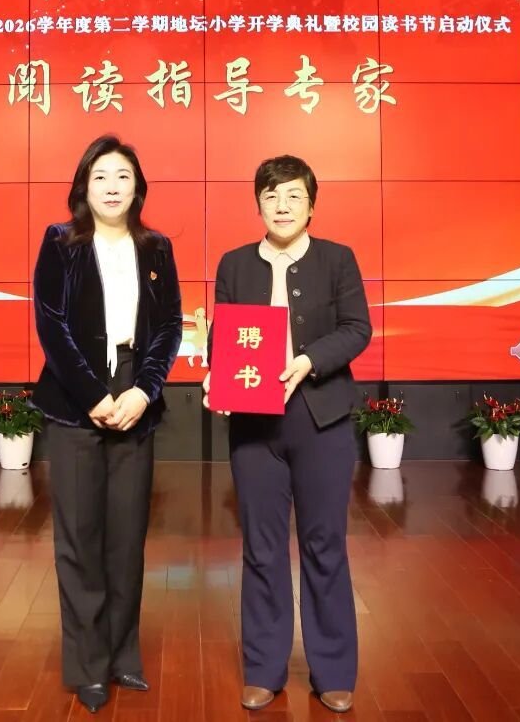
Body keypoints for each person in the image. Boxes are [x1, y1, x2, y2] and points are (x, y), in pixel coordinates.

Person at [203, 155, 371, 713]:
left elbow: (357, 329)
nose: (282, 205)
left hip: (321, 419)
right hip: (255, 424)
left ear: (311, 205)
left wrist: (308, 360)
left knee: (325, 544)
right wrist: (216, 375)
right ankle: (264, 667)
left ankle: (334, 670)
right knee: (262, 546)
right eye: (271, 195)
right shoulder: (234, 264)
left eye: (294, 195)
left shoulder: (337, 259)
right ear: (258, 204)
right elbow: (225, 338)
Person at [31, 135, 182, 714]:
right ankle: (88, 666)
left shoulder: (157, 248)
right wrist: (94, 395)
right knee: (79, 539)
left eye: (122, 176)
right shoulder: (60, 243)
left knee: (126, 538)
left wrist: (144, 390)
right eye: (100, 177)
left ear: (138, 187)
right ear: (83, 187)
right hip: (77, 401)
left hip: (137, 396)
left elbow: (169, 326)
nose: (112, 187)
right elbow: (52, 325)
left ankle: (122, 656)